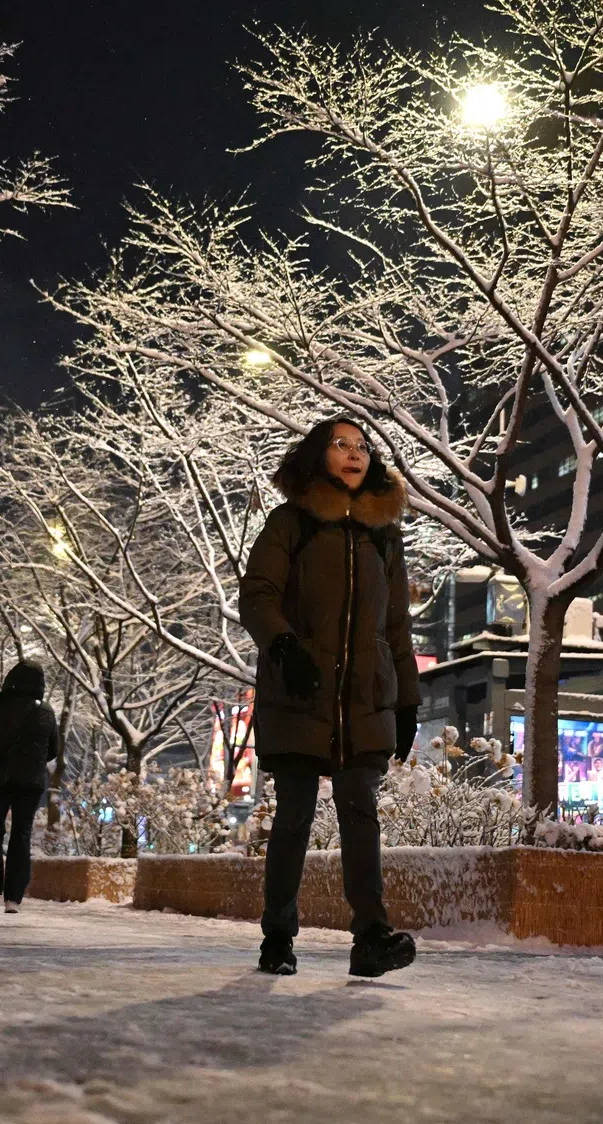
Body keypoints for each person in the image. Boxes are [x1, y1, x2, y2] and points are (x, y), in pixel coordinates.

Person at [239, 417, 421, 978]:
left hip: (363, 698)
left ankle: (371, 939)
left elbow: (395, 626)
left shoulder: (381, 536)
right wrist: (284, 647)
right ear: (319, 455)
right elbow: (257, 594)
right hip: (301, 691)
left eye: (363, 446)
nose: (354, 454)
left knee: (360, 816)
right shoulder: (292, 521)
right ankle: (277, 937)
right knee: (293, 815)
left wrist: (407, 699)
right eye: (341, 444)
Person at [0, 660, 59, 914]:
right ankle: (14, 899)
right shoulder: (45, 710)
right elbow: (53, 750)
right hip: (30, 781)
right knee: (21, 835)